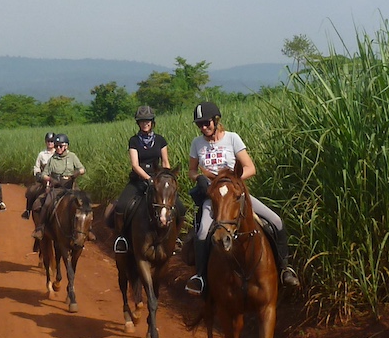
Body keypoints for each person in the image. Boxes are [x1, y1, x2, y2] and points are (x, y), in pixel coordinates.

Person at [185, 100, 298, 296]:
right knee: (203, 231)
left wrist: (233, 182)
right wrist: (200, 178)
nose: (203, 127)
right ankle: (200, 277)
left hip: (236, 195)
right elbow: (192, 171)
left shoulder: (232, 138)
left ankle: (284, 269)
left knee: (276, 221)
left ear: (216, 120)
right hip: (212, 198)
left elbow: (250, 168)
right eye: (199, 124)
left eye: (206, 123)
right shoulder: (197, 143)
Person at [111, 105, 171, 253]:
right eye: (142, 121)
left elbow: (165, 162)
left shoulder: (160, 140)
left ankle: (173, 238)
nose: (145, 123)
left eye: (148, 121)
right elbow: (135, 165)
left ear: (152, 122)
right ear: (138, 123)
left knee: (178, 207)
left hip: (158, 180)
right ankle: (122, 238)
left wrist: (165, 178)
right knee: (121, 206)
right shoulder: (134, 141)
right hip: (139, 180)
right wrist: (148, 179)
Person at [31, 133, 85, 251]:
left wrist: (76, 173)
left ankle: (88, 231)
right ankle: (40, 228)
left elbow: (82, 169)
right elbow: (44, 174)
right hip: (57, 188)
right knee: (46, 203)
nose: (58, 148)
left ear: (66, 146)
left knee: (84, 203)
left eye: (60, 146)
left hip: (71, 187)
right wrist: (50, 179)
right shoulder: (52, 159)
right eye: (56, 146)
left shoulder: (72, 156)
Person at [21, 131, 56, 219]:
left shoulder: (58, 153)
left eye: (51, 141)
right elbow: (37, 167)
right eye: (48, 141)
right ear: (45, 142)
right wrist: (38, 174)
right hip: (43, 178)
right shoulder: (42, 154)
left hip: (56, 178)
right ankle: (28, 210)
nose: (50, 143)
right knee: (32, 191)